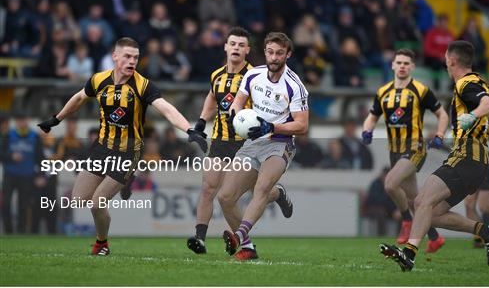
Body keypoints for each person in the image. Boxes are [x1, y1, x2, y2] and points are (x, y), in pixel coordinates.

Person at [37, 37, 207, 256]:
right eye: (127, 56)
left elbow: (166, 108)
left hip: (128, 151)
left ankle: (102, 243)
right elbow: (79, 98)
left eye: (135, 57)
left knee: (97, 204)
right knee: (79, 198)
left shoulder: (143, 85)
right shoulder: (99, 80)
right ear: (114, 56)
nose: (132, 61)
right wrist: (56, 119)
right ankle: (126, 181)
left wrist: (189, 129)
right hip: (101, 147)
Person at [380, 40, 489, 271]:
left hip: (466, 157)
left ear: (451, 60)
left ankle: (409, 253)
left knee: (422, 201)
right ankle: (487, 232)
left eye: (446, 61)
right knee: (433, 213)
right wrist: (480, 128)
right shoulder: (482, 82)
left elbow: (488, 104)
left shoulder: (465, 83)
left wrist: (473, 117)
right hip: (475, 161)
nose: (445, 65)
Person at [187, 27, 293, 255]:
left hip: (246, 142)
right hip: (220, 139)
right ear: (225, 47)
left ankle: (277, 193)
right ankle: (201, 239)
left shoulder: (255, 76)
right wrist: (201, 123)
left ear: (247, 50)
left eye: (240, 45)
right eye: (232, 43)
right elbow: (212, 97)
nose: (235, 48)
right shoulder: (217, 75)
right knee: (208, 187)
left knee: (251, 192)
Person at [218, 32, 309, 260]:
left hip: (279, 143)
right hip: (252, 141)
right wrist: (235, 117)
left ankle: (239, 236)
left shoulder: (295, 86)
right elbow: (237, 103)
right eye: (270, 52)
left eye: (279, 53)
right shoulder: (253, 75)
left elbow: (302, 125)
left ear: (288, 54)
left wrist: (271, 127)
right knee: (225, 198)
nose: (274, 57)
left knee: (260, 188)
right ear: (265, 52)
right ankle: (249, 245)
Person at [362, 48, 448, 253]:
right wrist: (367, 130)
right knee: (413, 200)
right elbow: (372, 115)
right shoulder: (383, 92)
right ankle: (434, 237)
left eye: (406, 63)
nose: (402, 66)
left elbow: (442, 114)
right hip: (394, 149)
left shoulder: (421, 90)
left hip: (415, 146)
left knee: (390, 183)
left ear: (412, 67)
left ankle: (406, 221)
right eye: (398, 62)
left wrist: (439, 135)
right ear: (392, 65)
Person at [1, 111, 45, 234]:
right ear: (16, 121)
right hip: (10, 175)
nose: (21, 122)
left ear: (28, 119)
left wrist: (40, 175)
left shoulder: (35, 137)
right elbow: (1, 154)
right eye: (19, 120)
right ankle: (8, 231)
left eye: (23, 119)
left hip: (27, 176)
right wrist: (11, 156)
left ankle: (21, 231)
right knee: (6, 203)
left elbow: (40, 158)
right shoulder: (8, 135)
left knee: (23, 205)